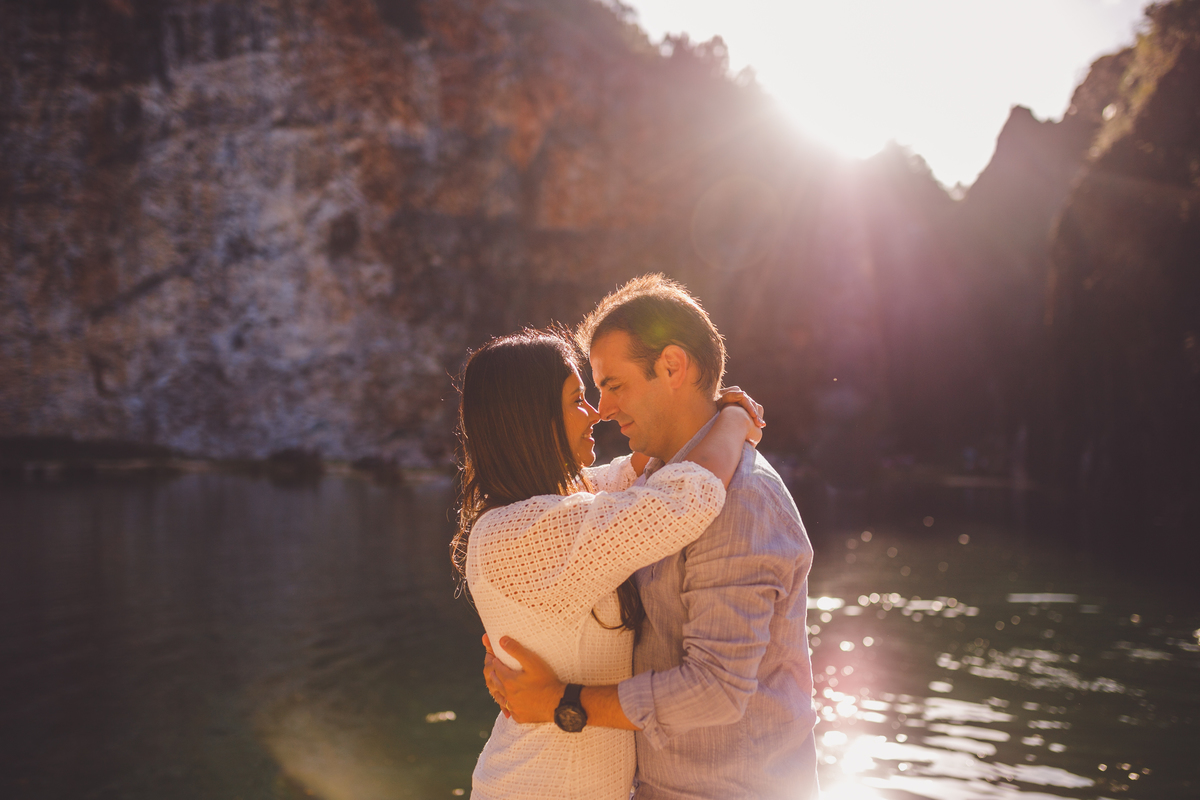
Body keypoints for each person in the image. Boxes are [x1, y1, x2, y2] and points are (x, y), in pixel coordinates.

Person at [485, 275, 819, 800]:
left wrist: (562, 701)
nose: (604, 410)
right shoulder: (652, 489)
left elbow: (716, 689)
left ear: (672, 367)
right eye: (593, 393)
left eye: (614, 386)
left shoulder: (740, 500)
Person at [455, 327, 765, 800]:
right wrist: (734, 421)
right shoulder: (524, 532)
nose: (595, 412)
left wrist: (701, 412)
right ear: (531, 418)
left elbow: (633, 472)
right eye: (577, 400)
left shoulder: (553, 508)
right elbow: (684, 498)